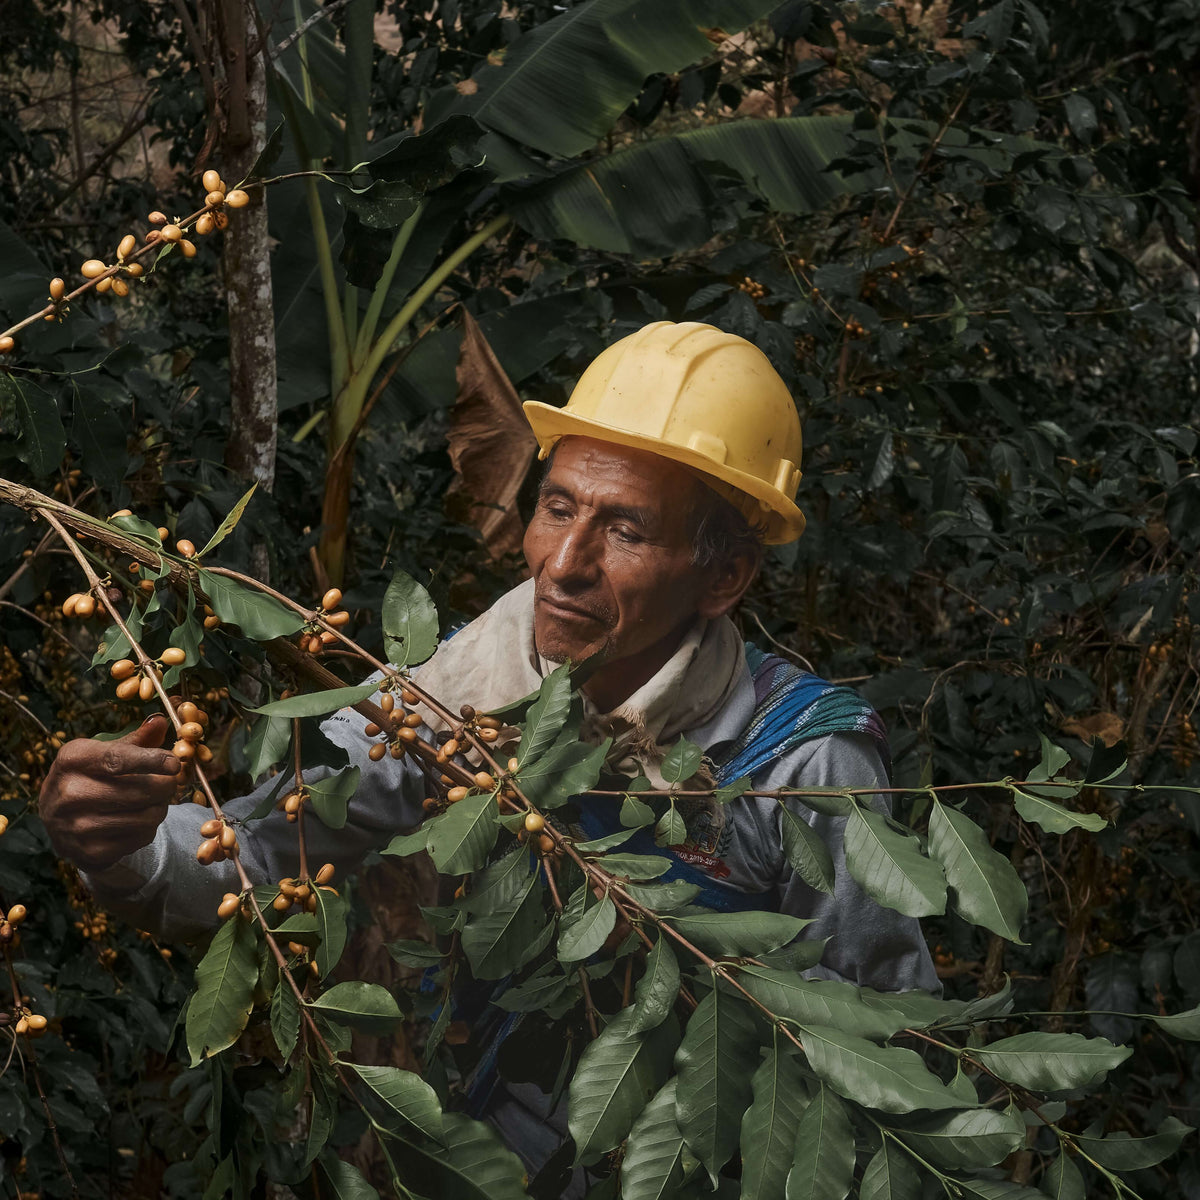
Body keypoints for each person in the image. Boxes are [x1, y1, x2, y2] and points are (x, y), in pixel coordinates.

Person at [40, 321, 936, 1180]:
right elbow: (262, 849)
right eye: (557, 509)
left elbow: (880, 1040)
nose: (562, 563)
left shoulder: (801, 765)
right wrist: (123, 843)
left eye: (624, 531)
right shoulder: (449, 696)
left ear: (723, 576)